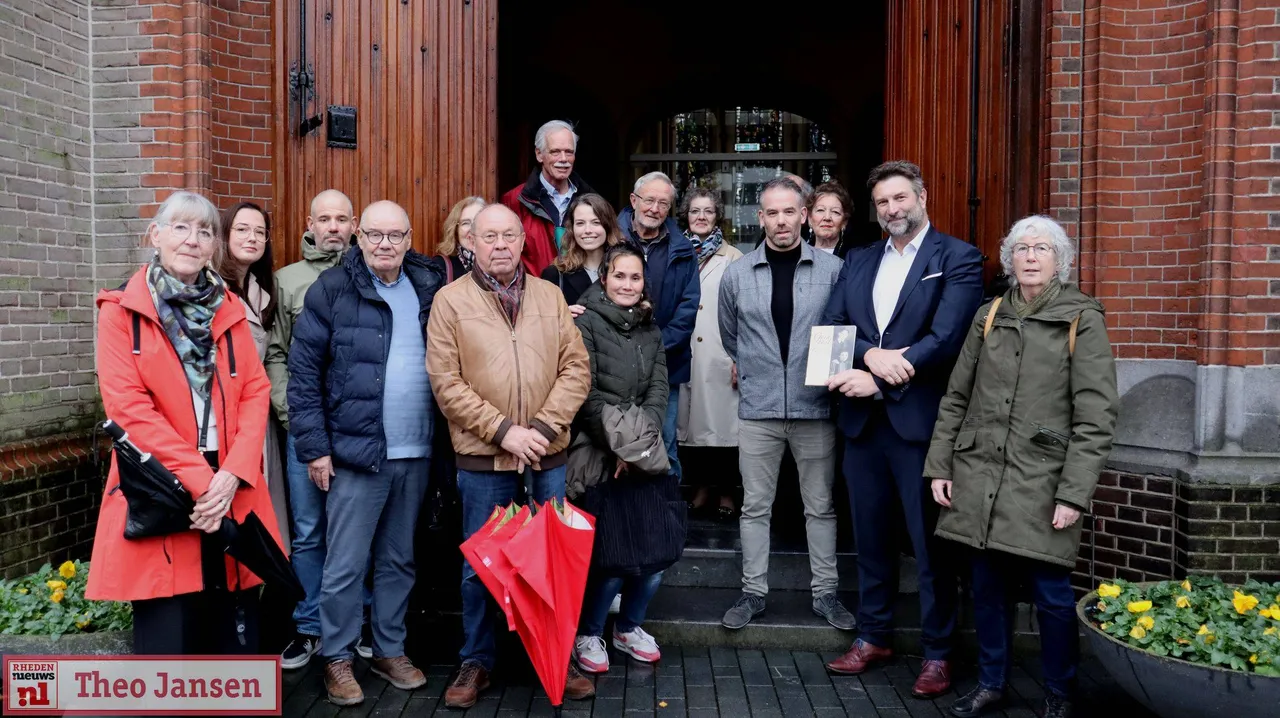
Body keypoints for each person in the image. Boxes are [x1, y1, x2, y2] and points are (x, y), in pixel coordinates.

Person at [926, 216, 1119, 718]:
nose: (1030, 256)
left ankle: (1059, 690)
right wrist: (941, 465)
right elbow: (956, 397)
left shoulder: (1081, 318)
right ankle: (992, 683)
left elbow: (1096, 415)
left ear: (1061, 260)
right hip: (979, 471)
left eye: (1042, 248)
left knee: (1051, 593)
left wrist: (1073, 494)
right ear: (1010, 259)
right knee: (986, 589)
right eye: (1021, 248)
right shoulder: (988, 315)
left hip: (1043, 479)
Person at [87, 190, 282, 654]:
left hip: (229, 481)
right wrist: (203, 481)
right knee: (171, 631)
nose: (193, 239)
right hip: (162, 480)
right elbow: (128, 410)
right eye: (180, 227)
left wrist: (233, 472)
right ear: (155, 235)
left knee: (231, 626)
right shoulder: (120, 312)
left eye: (205, 230)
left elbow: (256, 389)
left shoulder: (228, 305)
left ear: (215, 245)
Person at [822, 161, 984, 698]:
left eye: (899, 198)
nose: (892, 210)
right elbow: (833, 327)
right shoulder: (859, 258)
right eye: (883, 203)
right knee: (869, 539)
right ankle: (874, 636)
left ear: (921, 195)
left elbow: (948, 338)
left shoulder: (956, 258)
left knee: (930, 545)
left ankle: (938, 653)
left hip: (920, 425)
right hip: (863, 425)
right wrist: (872, 362)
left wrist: (886, 380)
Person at [427, 203, 594, 709]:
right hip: (485, 458)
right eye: (489, 236)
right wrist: (505, 432)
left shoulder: (551, 296)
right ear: (470, 243)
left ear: (524, 242)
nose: (500, 245)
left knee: (551, 562)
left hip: (548, 454)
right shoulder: (449, 301)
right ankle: (477, 658)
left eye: (509, 236)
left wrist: (540, 429)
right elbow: (446, 383)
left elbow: (576, 370)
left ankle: (553, 655)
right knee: (482, 564)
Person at [288, 200, 444, 706]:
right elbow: (304, 377)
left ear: (409, 237)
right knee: (346, 563)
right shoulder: (332, 290)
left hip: (416, 449)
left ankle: (389, 649)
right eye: (374, 234)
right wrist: (314, 448)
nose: (384, 244)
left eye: (395, 235)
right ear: (358, 237)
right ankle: (336, 657)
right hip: (356, 452)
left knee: (399, 559)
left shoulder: (428, 285)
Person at [716, 177, 854, 632]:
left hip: (816, 408)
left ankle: (826, 593)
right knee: (755, 507)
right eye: (771, 213)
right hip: (759, 410)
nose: (780, 221)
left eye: (789, 212)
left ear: (804, 215)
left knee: (820, 506)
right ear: (761, 217)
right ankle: (754, 592)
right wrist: (758, 372)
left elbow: (844, 331)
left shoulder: (833, 270)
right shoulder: (737, 274)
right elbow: (730, 336)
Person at [264, 189, 371, 669]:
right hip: (306, 429)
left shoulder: (371, 275)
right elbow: (276, 354)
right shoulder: (286, 281)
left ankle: (359, 621)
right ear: (308, 222)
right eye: (324, 218)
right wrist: (291, 413)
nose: (333, 226)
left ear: (355, 225)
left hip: (358, 430)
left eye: (341, 219)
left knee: (358, 529)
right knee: (309, 532)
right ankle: (308, 626)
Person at [571, 244, 685, 674]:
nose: (627, 284)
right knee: (614, 558)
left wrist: (640, 446)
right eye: (619, 276)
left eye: (635, 278)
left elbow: (658, 391)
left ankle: (629, 627)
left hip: (644, 452)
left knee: (655, 555)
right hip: (598, 451)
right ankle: (590, 632)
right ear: (605, 279)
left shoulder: (651, 330)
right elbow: (585, 393)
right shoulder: (584, 323)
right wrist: (622, 447)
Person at [618, 172, 700, 482]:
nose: (654, 208)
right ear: (634, 201)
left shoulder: (683, 248)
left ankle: (666, 522)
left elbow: (688, 307)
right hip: (617, 363)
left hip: (666, 365)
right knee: (618, 445)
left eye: (663, 203)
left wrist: (655, 348)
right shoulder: (613, 239)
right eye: (649, 200)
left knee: (664, 444)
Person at [214, 201, 288, 548]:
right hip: (225, 419)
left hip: (260, 418)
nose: (252, 238)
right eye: (242, 229)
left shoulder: (263, 291)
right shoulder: (212, 290)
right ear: (224, 234)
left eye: (260, 232)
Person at [676, 187, 743, 520]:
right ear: (686, 216)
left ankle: (727, 491)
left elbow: (744, 312)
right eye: (694, 211)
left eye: (708, 211)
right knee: (691, 427)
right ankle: (701, 488)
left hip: (720, 354)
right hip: (685, 352)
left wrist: (738, 357)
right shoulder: (676, 252)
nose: (701, 217)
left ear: (718, 217)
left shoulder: (733, 258)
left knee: (723, 429)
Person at [502, 119, 595, 276]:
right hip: (534, 296)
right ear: (539, 154)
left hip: (581, 297)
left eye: (569, 152)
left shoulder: (591, 200)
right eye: (555, 152)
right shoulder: (514, 200)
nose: (563, 159)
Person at [540, 193, 625, 310]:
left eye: (596, 222)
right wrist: (562, 318)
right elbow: (543, 321)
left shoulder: (626, 270)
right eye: (580, 223)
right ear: (572, 229)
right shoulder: (555, 274)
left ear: (608, 226)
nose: (588, 230)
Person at [437, 196, 485, 282]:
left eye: (478, 221)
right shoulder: (440, 267)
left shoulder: (503, 263)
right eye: (466, 223)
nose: (472, 229)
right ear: (455, 230)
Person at [809, 181, 856, 258]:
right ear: (810, 218)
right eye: (820, 210)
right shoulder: (798, 255)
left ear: (844, 222)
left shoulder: (854, 257)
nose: (827, 218)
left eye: (835, 212)